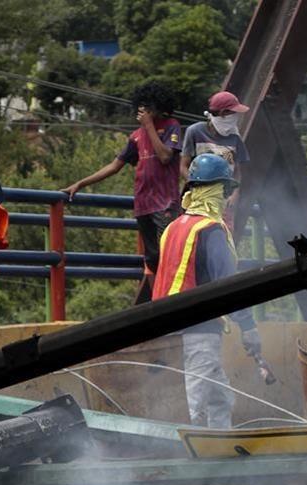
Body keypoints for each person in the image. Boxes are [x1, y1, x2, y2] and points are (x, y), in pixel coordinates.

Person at [152, 154, 260, 429]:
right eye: (224, 191)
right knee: (195, 406)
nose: (226, 198)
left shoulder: (173, 228)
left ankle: (221, 447)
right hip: (199, 330)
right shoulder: (210, 230)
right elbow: (228, 285)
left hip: (165, 327)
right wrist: (248, 327)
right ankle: (194, 464)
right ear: (214, 191)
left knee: (219, 398)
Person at [62, 83, 183, 303]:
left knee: (171, 254)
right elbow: (114, 166)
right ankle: (159, 304)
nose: (143, 111)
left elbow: (165, 156)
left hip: (166, 203)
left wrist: (149, 127)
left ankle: (174, 301)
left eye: (148, 107)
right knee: (153, 258)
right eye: (141, 107)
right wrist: (80, 183)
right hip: (143, 204)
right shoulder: (136, 136)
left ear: (158, 107)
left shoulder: (171, 126)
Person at [180, 91, 250, 234]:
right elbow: (183, 166)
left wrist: (235, 193)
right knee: (197, 235)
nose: (236, 117)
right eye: (233, 112)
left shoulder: (235, 138)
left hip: (224, 201)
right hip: (198, 201)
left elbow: (238, 171)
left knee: (223, 236)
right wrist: (197, 188)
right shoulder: (195, 132)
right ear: (223, 113)